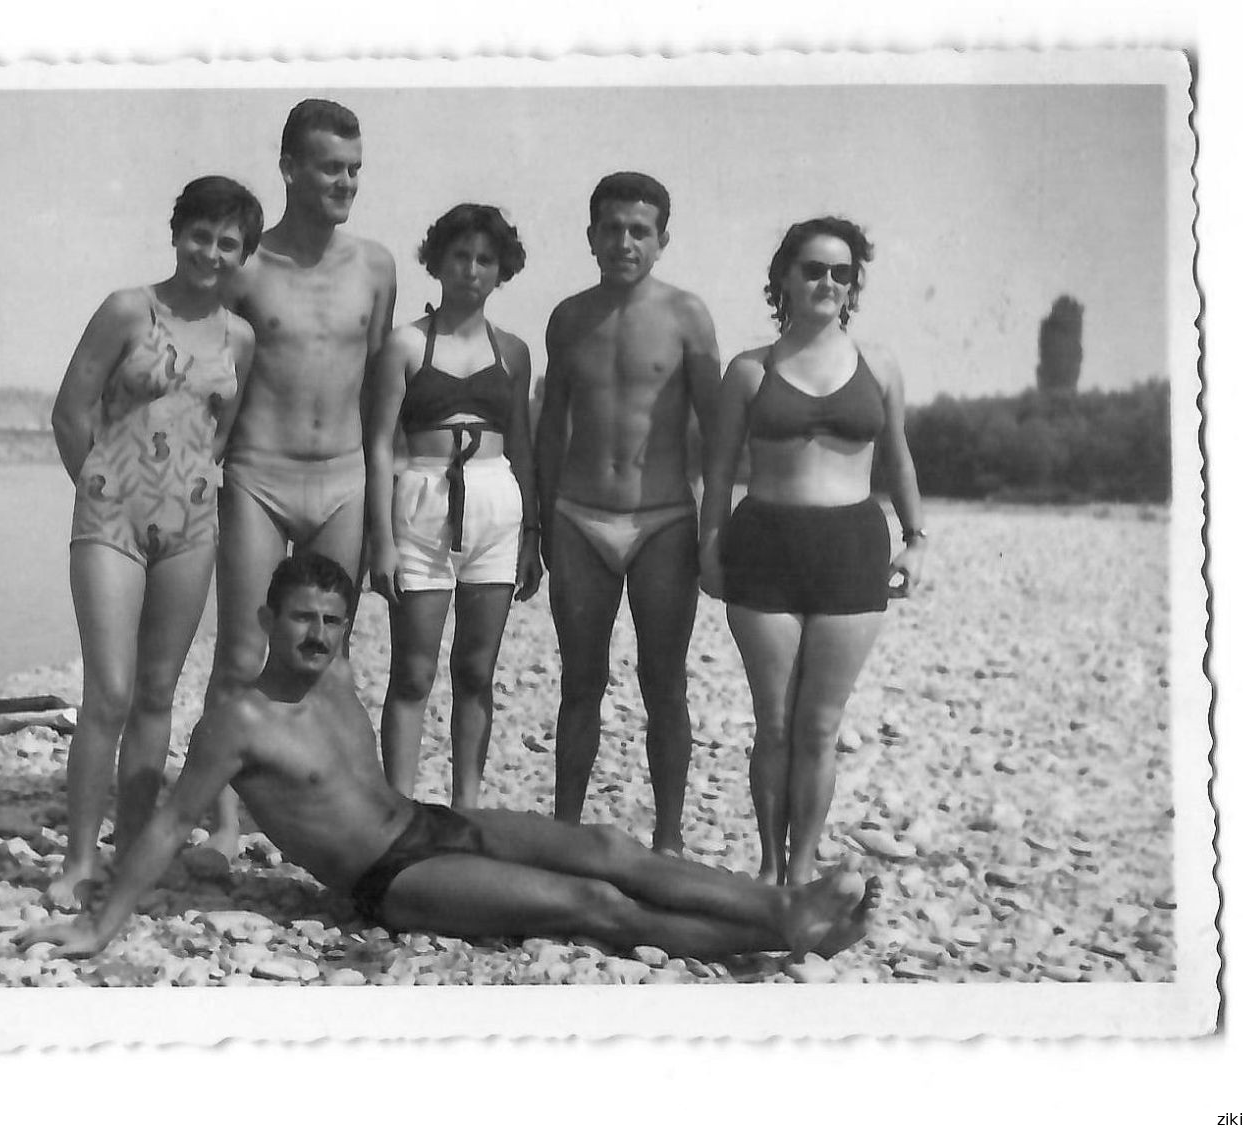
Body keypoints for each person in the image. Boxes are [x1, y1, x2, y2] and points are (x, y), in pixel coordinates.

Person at [21, 554, 880, 963]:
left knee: (612, 850)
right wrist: (102, 923)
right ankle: (777, 933)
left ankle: (782, 903)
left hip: (429, 821)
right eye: (300, 619)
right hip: (386, 881)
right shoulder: (238, 720)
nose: (318, 634)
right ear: (264, 621)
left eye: (331, 620)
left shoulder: (337, 678)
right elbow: (173, 821)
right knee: (592, 906)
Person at [46, 176, 262, 909]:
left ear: (242, 255)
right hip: (110, 518)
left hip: (191, 527)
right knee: (106, 692)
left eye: (227, 242)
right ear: (177, 233)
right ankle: (79, 861)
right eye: (199, 234)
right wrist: (96, 485)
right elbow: (70, 409)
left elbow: (218, 435)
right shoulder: (127, 309)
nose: (210, 251)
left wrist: (189, 493)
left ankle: (132, 851)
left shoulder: (240, 337)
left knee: (157, 695)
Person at [698, 216, 928, 886]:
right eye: (812, 270)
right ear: (784, 281)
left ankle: (801, 872)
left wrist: (916, 540)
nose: (826, 282)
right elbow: (717, 471)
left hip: (851, 551)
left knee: (820, 726)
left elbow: (899, 460)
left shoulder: (879, 365)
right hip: (763, 548)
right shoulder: (748, 370)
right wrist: (710, 545)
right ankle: (769, 871)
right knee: (772, 725)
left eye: (840, 271)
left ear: (853, 283)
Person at [203, 97, 398, 855]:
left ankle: (350, 808)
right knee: (240, 653)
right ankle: (221, 820)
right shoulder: (246, 268)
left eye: (354, 169)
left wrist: (383, 513)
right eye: (329, 168)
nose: (345, 182)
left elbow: (380, 383)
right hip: (259, 474)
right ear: (288, 167)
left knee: (334, 655)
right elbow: (206, 356)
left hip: (344, 477)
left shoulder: (374, 267)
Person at [534, 172, 721, 855]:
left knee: (662, 681)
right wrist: (539, 522)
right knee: (579, 680)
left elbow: (718, 424)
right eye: (610, 228)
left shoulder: (686, 316)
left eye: (639, 230)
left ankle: (667, 839)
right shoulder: (567, 318)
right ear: (590, 237)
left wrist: (716, 522)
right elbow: (549, 424)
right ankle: (563, 834)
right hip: (579, 517)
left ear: (661, 239)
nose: (623, 241)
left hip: (663, 519)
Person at [365, 204, 541, 808]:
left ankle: (466, 807)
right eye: (460, 256)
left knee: (475, 672)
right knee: (412, 672)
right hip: (422, 498)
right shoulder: (406, 344)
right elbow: (377, 445)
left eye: (485, 260)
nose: (471, 269)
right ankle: (398, 807)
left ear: (501, 271)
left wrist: (532, 535)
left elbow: (522, 445)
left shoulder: (513, 352)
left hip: (496, 501)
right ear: (437, 261)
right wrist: (379, 538)